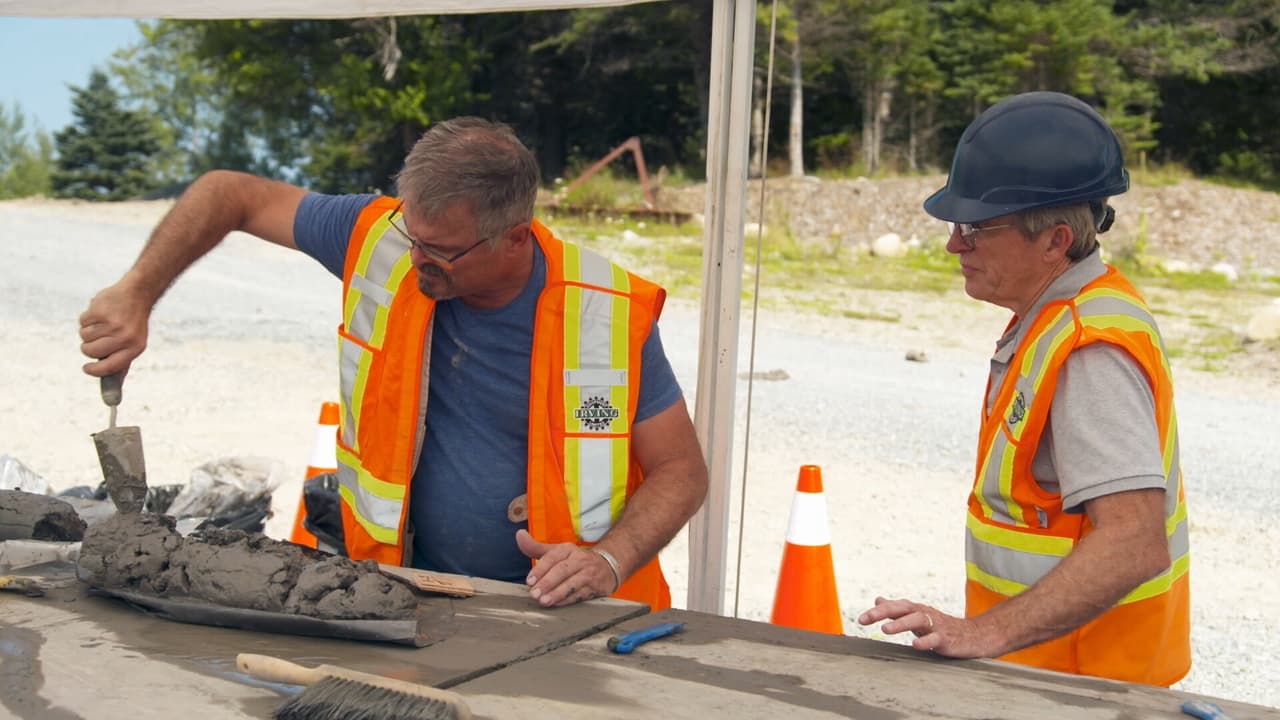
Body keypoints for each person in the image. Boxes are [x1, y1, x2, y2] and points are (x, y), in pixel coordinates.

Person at [78, 117, 708, 611]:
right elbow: (230, 193)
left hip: (573, 620)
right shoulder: (380, 238)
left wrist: (609, 560)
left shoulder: (603, 316)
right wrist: (137, 291)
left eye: (439, 252)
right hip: (408, 597)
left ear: (514, 237)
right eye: (412, 236)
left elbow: (680, 470)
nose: (415, 261)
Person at [856, 92, 1190, 686]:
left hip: (1085, 686)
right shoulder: (1056, 316)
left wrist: (978, 633)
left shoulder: (1090, 347)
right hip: (1052, 677)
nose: (954, 245)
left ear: (1055, 240)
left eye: (975, 228)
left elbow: (1135, 542)